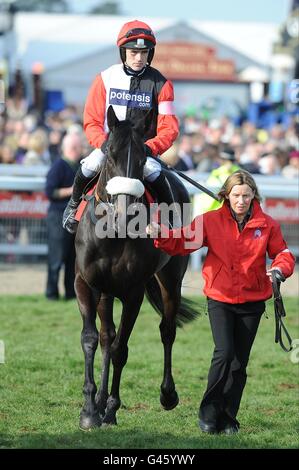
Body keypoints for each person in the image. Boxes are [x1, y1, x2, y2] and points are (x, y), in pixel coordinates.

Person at [146, 170, 295, 434]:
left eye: (246, 196)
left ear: (253, 196)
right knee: (225, 354)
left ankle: (228, 418)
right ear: (227, 196)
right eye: (236, 195)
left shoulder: (267, 224)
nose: (241, 201)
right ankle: (209, 411)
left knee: (240, 364)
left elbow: (282, 252)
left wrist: (281, 270)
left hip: (253, 300)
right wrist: (161, 233)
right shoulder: (210, 221)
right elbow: (183, 241)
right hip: (220, 298)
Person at [63, 19, 179, 234]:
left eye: (144, 53)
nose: (139, 58)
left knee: (156, 174)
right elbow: (92, 121)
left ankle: (170, 220)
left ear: (150, 54)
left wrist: (151, 148)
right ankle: (72, 207)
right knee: (88, 167)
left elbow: (169, 127)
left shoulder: (162, 84)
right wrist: (103, 143)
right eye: (133, 53)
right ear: (123, 51)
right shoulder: (104, 79)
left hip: (142, 151)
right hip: (110, 147)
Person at [45, 133, 82, 300]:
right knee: (56, 257)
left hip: (73, 218)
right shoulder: (59, 166)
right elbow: (50, 191)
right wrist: (72, 190)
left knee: (71, 258)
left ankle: (70, 292)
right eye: (78, 147)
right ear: (71, 148)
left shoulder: (78, 166)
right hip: (58, 216)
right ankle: (51, 293)